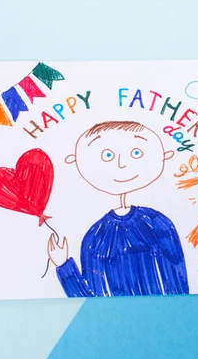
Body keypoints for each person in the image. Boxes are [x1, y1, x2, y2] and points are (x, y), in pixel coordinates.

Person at [47, 121, 189, 297]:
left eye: (136, 153)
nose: (121, 164)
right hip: (114, 321)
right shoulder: (95, 237)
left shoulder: (158, 223)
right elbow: (91, 300)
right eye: (107, 155)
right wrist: (64, 266)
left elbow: (178, 281)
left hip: (165, 318)